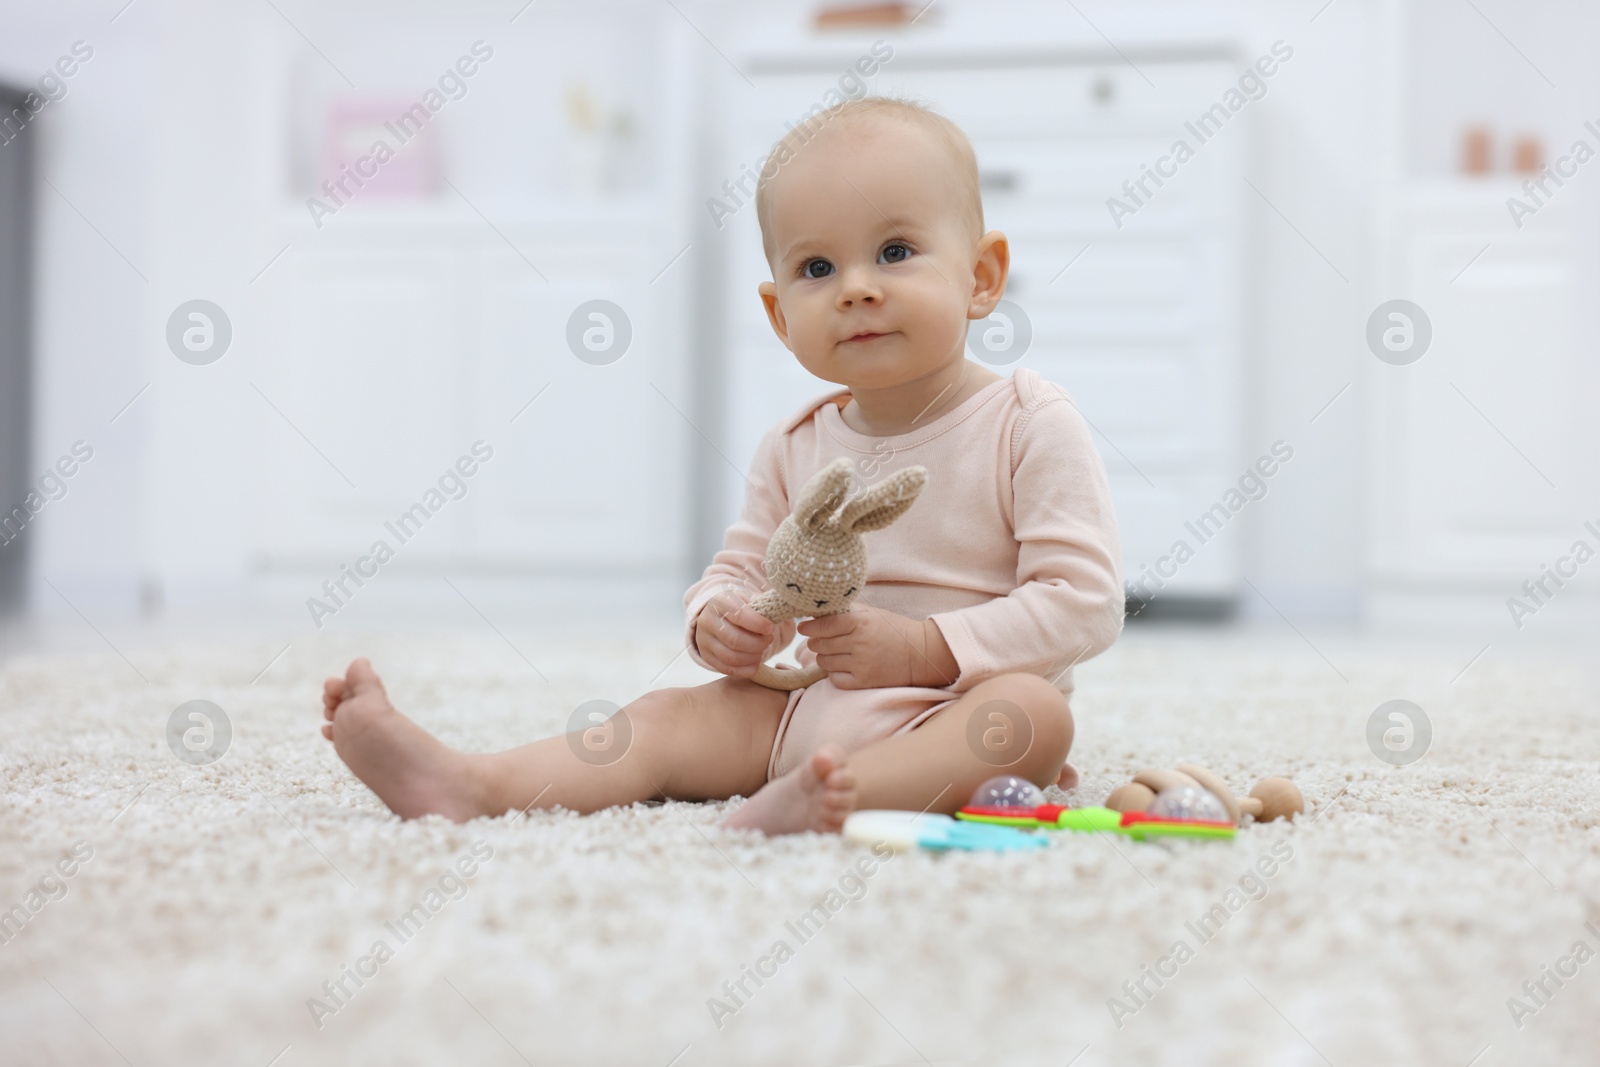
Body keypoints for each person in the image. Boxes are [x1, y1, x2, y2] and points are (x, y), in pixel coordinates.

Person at [320, 96, 1124, 834]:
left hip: (954, 710)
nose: (855, 289)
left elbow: (1082, 604)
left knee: (1032, 719)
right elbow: (741, 568)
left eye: (895, 250)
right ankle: (478, 784)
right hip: (796, 710)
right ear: (779, 314)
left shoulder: (1028, 423)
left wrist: (925, 651)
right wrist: (721, 623)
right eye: (817, 268)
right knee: (668, 714)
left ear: (982, 277)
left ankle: (843, 792)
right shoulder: (795, 443)